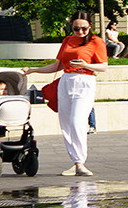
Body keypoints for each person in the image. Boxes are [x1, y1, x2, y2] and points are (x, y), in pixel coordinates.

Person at [27, 15, 108, 177]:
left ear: (90, 26)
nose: (80, 32)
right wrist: (33, 70)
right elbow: (59, 65)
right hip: (66, 81)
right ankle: (77, 163)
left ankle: (81, 161)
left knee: (77, 120)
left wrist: (85, 65)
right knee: (65, 123)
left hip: (85, 81)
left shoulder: (96, 41)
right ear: (71, 26)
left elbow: (103, 66)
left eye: (84, 28)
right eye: (76, 28)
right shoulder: (68, 41)